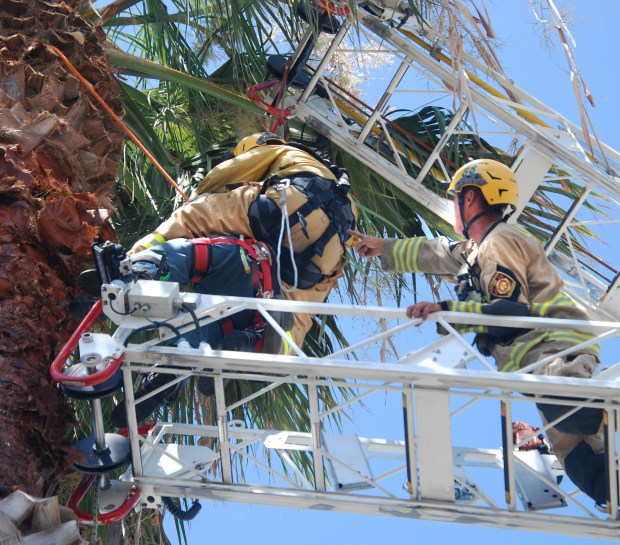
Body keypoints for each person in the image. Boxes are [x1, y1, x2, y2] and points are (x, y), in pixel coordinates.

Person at [348, 158, 606, 506]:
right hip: (533, 367)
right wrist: (384, 247)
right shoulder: (475, 252)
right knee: (583, 465)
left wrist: (449, 311)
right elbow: (435, 252)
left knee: (573, 409)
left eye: (456, 198)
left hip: (555, 349)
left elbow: (509, 312)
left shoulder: (501, 241)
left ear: (469, 198)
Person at [111, 132, 357, 425]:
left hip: (291, 203)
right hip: (327, 253)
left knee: (194, 216)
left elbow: (227, 173)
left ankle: (134, 267)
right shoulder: (344, 194)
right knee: (298, 313)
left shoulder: (280, 151)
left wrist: (204, 193)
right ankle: (268, 348)